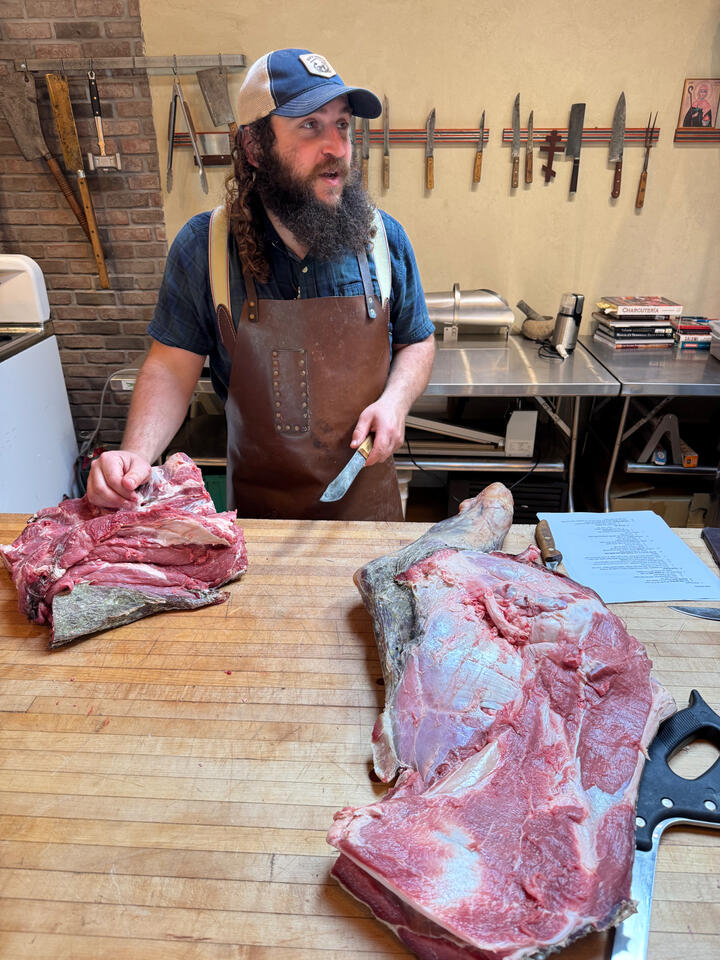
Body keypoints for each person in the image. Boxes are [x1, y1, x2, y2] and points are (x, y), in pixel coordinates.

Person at [87, 48, 436, 520]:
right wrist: (135, 456)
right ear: (254, 148)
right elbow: (171, 367)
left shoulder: (383, 239)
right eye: (310, 125)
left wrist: (395, 402)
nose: (337, 147)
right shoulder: (205, 247)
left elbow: (417, 340)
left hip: (367, 517)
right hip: (258, 519)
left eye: (342, 124)